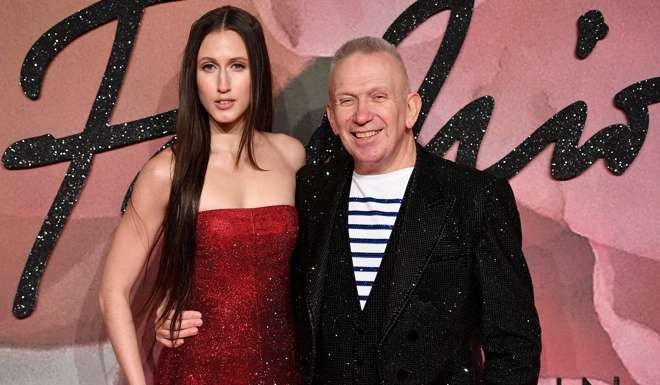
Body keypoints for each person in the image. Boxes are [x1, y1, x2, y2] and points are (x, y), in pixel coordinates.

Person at [160, 36, 542, 384]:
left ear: (410, 109)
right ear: (331, 117)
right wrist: (177, 310)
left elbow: (513, 344)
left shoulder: (474, 197)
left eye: (378, 96)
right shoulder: (311, 190)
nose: (362, 115)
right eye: (347, 100)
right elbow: (260, 282)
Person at [98, 6, 305, 385]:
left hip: (283, 369)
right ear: (193, 78)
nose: (223, 84)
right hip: (195, 371)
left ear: (257, 72)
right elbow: (112, 290)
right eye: (209, 67)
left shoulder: (291, 157)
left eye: (237, 66)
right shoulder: (167, 171)